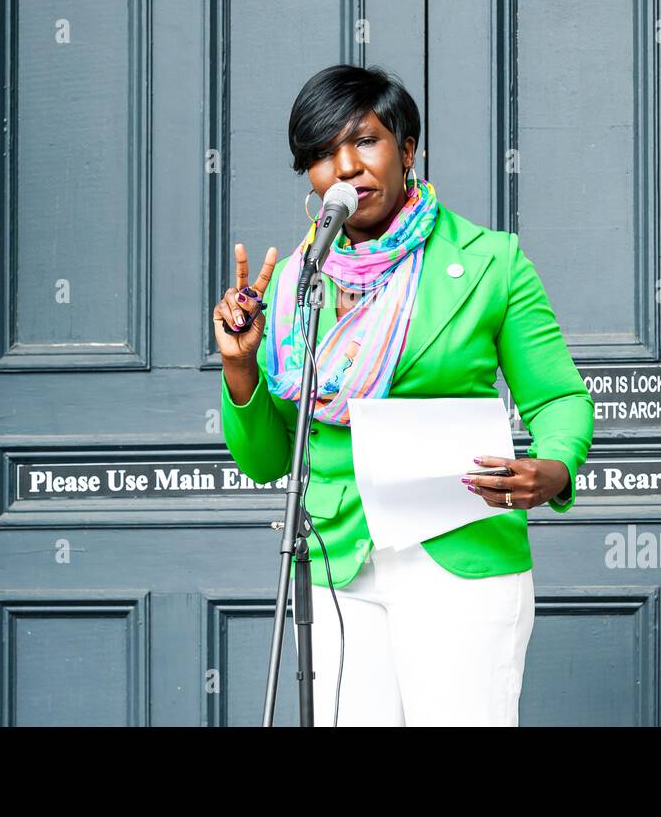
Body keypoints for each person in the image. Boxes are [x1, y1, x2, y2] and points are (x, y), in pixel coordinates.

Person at [213, 63, 594, 726]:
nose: (347, 167)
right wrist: (242, 370)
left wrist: (554, 467)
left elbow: (559, 396)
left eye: (365, 141)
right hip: (340, 562)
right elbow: (271, 460)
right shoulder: (293, 284)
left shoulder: (488, 261)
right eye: (325, 154)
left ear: (407, 149)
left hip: (460, 554)